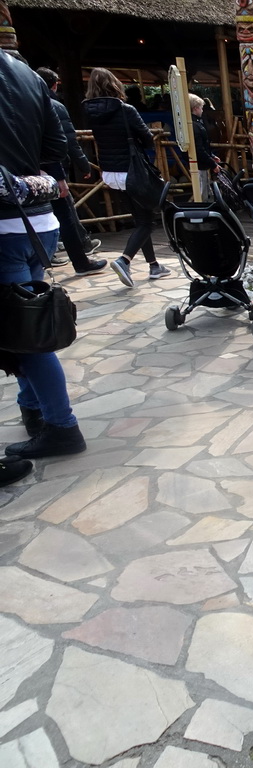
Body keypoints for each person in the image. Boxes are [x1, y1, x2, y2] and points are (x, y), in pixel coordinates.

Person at [0, 50, 87, 476]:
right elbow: (57, 147)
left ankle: (60, 424)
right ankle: (33, 409)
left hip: (5, 226)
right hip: (39, 219)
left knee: (25, 334)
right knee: (23, 323)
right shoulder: (28, 75)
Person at [83, 67, 171, 287]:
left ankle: (153, 265)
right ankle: (124, 260)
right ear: (114, 84)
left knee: (141, 218)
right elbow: (146, 137)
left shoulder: (90, 112)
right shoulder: (125, 109)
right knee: (146, 221)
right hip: (133, 170)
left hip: (111, 172)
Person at [35, 67, 105, 276]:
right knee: (65, 215)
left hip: (29, 170)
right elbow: (65, 142)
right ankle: (81, 261)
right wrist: (82, 165)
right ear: (55, 85)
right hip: (51, 169)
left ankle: (45, 257)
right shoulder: (52, 106)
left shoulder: (25, 104)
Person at [188, 93, 220, 201]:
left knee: (204, 189)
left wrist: (211, 156)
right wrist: (212, 163)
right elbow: (199, 149)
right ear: (196, 108)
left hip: (201, 163)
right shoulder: (195, 125)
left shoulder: (194, 123)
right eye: (201, 108)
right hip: (199, 164)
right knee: (202, 193)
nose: (202, 110)